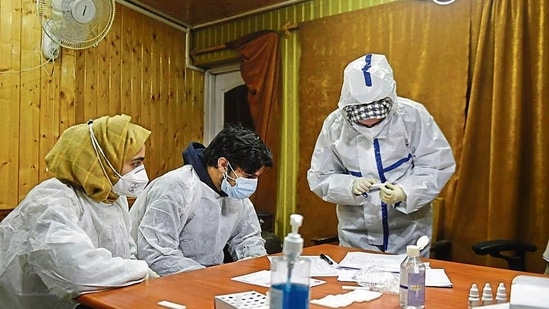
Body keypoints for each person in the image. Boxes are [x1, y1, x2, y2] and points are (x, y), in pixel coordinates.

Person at [0, 115, 158, 309]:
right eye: (135, 163)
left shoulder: (112, 196)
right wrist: (142, 271)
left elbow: (126, 252)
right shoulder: (51, 200)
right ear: (104, 162)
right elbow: (76, 269)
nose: (141, 171)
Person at [307, 53, 456, 256]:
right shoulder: (335, 125)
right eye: (361, 116)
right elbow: (320, 176)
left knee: (408, 284)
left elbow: (436, 165)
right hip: (356, 235)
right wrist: (349, 185)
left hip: (408, 233)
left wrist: (405, 191)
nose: (369, 124)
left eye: (377, 116)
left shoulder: (412, 116)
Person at [130, 124, 273, 276]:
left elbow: (247, 238)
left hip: (206, 279)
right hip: (158, 280)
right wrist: (208, 278)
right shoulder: (176, 187)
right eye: (249, 177)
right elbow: (157, 255)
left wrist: (257, 270)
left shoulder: (234, 193)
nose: (252, 183)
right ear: (223, 165)